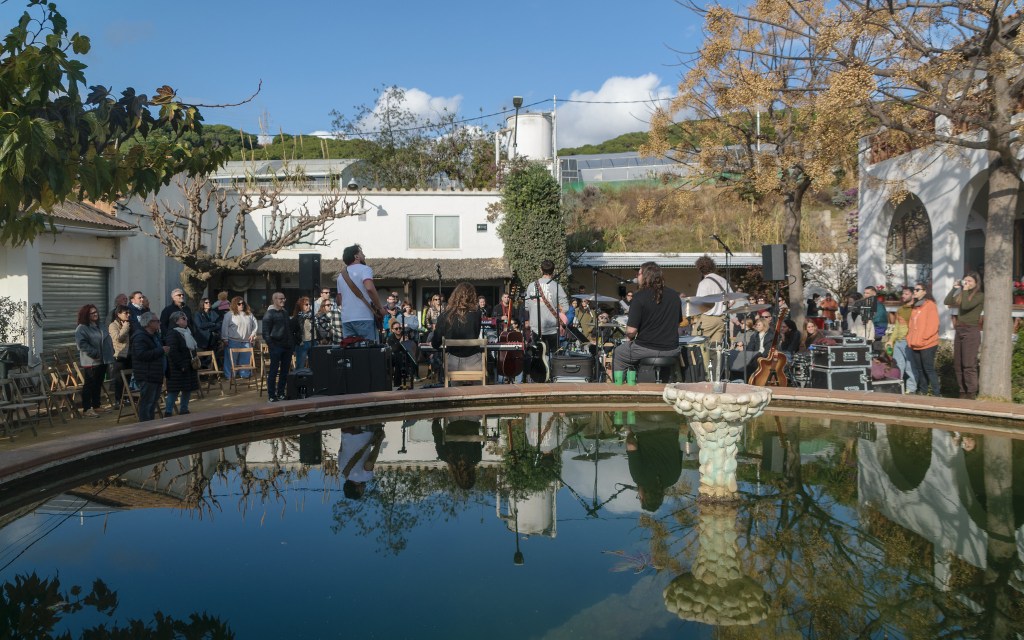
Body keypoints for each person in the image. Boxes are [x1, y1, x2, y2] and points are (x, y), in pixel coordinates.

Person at [612, 262, 682, 380]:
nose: (636, 277)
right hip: (672, 350)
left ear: (646, 276)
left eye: (638, 274)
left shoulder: (639, 297)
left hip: (645, 349)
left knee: (619, 353)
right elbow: (678, 324)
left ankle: (620, 389)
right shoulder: (675, 296)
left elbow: (631, 331)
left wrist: (628, 336)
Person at [431, 282, 484, 380]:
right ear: (472, 296)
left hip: (452, 363)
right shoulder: (477, 314)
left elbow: (435, 343)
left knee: (456, 390)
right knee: (477, 390)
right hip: (474, 362)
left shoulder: (444, 316)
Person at [945, 271, 984, 399]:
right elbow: (947, 301)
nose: (966, 283)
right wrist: (954, 288)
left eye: (970, 281)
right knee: (958, 364)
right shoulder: (963, 294)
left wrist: (965, 289)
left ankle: (971, 393)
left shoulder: (980, 296)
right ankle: (962, 391)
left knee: (968, 364)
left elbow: (966, 306)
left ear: (976, 283)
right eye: (965, 281)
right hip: (960, 330)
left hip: (971, 331)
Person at [337, 244, 384, 342]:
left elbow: (339, 299)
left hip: (346, 319)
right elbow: (369, 288)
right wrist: (380, 307)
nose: (364, 255)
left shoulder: (341, 275)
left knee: (351, 353)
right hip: (364, 317)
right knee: (368, 352)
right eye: (362, 253)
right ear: (356, 257)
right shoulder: (365, 269)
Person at [74, 304, 114, 418]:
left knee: (98, 384)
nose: (95, 314)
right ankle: (87, 408)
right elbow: (81, 344)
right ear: (86, 315)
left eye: (96, 312)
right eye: (92, 313)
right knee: (89, 385)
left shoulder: (100, 325)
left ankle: (96, 405)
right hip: (91, 361)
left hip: (103, 359)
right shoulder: (81, 328)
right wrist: (95, 354)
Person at [525, 259, 569, 359]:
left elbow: (526, 306)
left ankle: (539, 374)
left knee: (537, 357)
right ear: (553, 271)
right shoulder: (557, 286)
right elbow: (565, 307)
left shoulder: (532, 286)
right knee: (554, 356)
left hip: (536, 327)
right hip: (553, 327)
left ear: (541, 270)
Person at [131, 312, 168, 422]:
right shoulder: (140, 337)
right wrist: (161, 350)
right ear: (148, 323)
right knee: (147, 402)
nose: (159, 323)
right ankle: (145, 427)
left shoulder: (154, 336)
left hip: (155, 373)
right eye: (156, 321)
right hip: (147, 374)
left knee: (152, 403)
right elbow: (141, 354)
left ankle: (150, 425)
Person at [164, 310, 199, 417]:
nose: (186, 320)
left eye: (186, 318)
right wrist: (181, 365)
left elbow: (192, 348)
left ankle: (184, 409)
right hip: (177, 367)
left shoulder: (187, 331)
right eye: (183, 318)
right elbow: (172, 351)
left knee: (187, 388)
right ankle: (168, 411)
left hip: (189, 365)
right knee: (174, 390)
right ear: (176, 321)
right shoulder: (173, 333)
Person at [432, 417, 483, 490]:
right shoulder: (444, 456)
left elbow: (477, 439)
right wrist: (435, 421)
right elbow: (437, 436)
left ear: (473, 474)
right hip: (453, 419)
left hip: (472, 419)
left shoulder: (477, 458)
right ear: (456, 477)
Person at [908, 282, 940, 396]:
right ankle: (923, 390)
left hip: (927, 343)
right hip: (915, 343)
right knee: (919, 369)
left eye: (917, 290)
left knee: (928, 368)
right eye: (914, 290)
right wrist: (910, 338)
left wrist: (923, 338)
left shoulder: (930, 305)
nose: (915, 292)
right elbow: (912, 324)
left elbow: (933, 325)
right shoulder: (916, 306)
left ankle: (937, 393)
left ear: (925, 291)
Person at [262, 292, 295, 402]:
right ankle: (272, 395)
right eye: (281, 299)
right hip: (276, 347)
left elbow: (288, 330)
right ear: (274, 300)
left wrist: (291, 345)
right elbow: (265, 333)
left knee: (285, 371)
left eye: (284, 298)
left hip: (287, 347)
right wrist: (272, 346)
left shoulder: (285, 312)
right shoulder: (269, 314)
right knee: (273, 371)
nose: (283, 300)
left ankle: (281, 393)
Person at [692, 255, 732, 346]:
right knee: (715, 348)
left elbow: (699, 304)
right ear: (713, 266)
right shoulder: (723, 280)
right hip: (722, 319)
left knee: (694, 343)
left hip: (708, 318)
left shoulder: (704, 283)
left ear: (699, 268)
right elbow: (732, 300)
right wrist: (722, 308)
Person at [338, 423, 385, 500]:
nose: (364, 489)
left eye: (362, 491)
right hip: (346, 430)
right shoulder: (341, 470)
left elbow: (369, 463)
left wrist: (379, 441)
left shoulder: (364, 477)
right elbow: (341, 448)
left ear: (357, 489)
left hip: (365, 431)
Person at [884, 286, 918, 394]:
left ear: (913, 295)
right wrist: (891, 340)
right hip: (898, 342)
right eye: (903, 294)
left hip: (908, 342)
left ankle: (911, 389)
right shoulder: (900, 309)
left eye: (906, 294)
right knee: (898, 366)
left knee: (910, 367)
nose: (903, 296)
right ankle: (897, 386)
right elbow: (897, 327)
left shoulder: (915, 309)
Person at [221, 296, 257, 379]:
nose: (241, 305)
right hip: (233, 341)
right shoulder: (229, 315)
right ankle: (230, 376)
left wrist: (253, 334)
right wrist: (225, 339)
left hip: (246, 341)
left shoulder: (249, 314)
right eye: (239, 304)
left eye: (243, 303)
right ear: (234, 304)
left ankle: (244, 374)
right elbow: (224, 327)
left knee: (245, 360)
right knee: (231, 360)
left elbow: (255, 325)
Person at [108, 305, 132, 408]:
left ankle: (126, 398)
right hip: (119, 355)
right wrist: (125, 328)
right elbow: (117, 338)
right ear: (118, 314)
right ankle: (118, 400)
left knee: (128, 378)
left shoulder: (130, 323)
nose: (128, 315)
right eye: (125, 313)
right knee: (119, 380)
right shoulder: (113, 325)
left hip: (130, 355)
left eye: (128, 313)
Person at [290, 296, 315, 369]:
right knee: (300, 366)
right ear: (301, 306)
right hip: (302, 343)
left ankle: (312, 380)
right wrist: (296, 344)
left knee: (314, 366)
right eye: (306, 304)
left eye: (309, 304)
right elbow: (291, 333)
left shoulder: (313, 317)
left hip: (313, 342)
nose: (309, 306)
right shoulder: (296, 318)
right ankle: (299, 380)